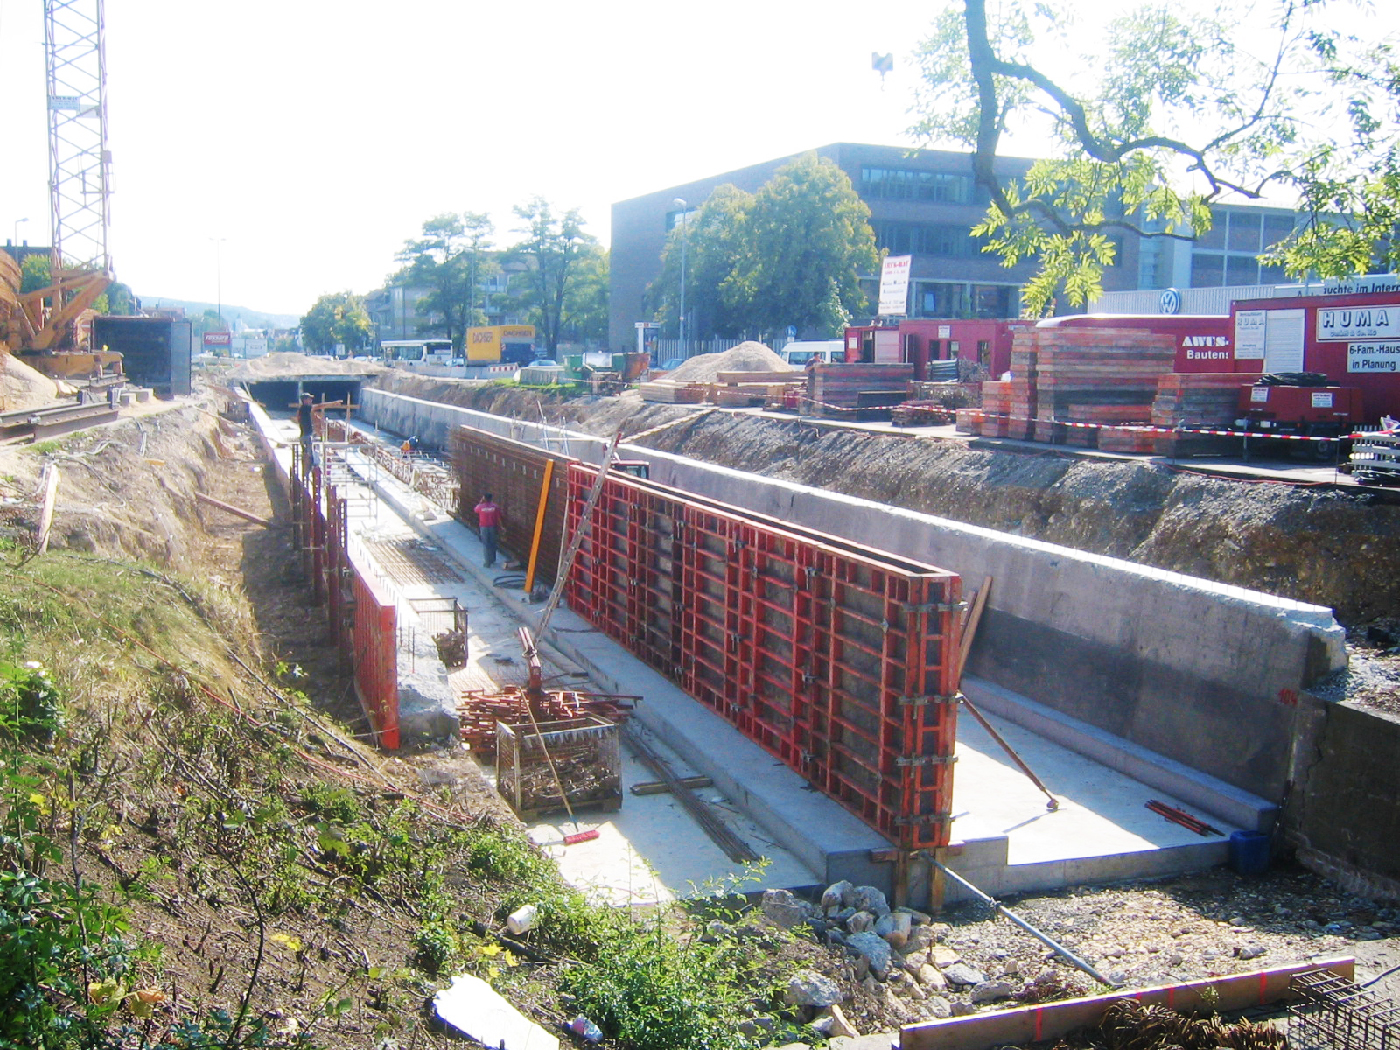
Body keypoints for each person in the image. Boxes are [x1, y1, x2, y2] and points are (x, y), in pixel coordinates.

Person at [473, 492, 501, 568]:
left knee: (486, 544)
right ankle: (493, 559)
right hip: (493, 526)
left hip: (484, 527)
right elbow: (498, 517)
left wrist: (481, 502)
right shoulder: (495, 507)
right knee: (493, 543)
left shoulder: (480, 507)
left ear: (484, 498)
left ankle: (487, 562)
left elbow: (475, 510)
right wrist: (500, 527)